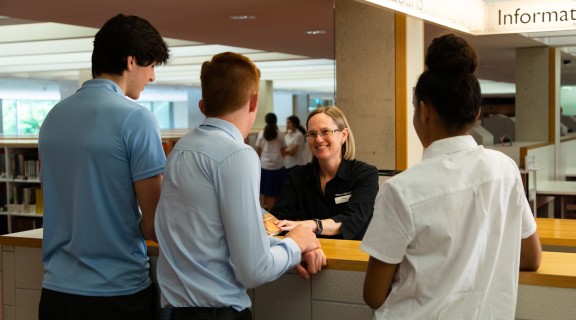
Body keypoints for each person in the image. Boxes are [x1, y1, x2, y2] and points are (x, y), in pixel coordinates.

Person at [361, 34, 542, 319]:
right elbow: (531, 258)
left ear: (424, 110)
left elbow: (373, 294)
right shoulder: (504, 169)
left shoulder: (401, 190)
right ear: (477, 112)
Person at [154, 52, 326, 320]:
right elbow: (253, 270)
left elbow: (211, 235)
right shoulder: (237, 154)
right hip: (215, 312)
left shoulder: (181, 149)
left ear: (203, 104)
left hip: (172, 309)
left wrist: (285, 250)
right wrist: (296, 244)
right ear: (254, 100)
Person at [37, 14, 169, 320]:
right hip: (117, 293)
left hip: (57, 293)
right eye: (151, 66)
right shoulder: (137, 119)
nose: (152, 77)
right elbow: (153, 225)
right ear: (131, 61)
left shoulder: (53, 117)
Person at [271, 106, 379, 240]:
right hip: (309, 254)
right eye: (312, 133)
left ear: (343, 135)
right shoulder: (298, 176)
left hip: (352, 255)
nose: (318, 139)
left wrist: (311, 225)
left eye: (325, 131)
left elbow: (353, 220)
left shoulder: (365, 174)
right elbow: (280, 219)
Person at [255, 112, 287, 210]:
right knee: (276, 192)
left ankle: (267, 213)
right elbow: (283, 151)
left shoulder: (261, 134)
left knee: (266, 192)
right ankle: (273, 213)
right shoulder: (280, 134)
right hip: (278, 167)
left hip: (265, 166)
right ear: (275, 121)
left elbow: (258, 150)